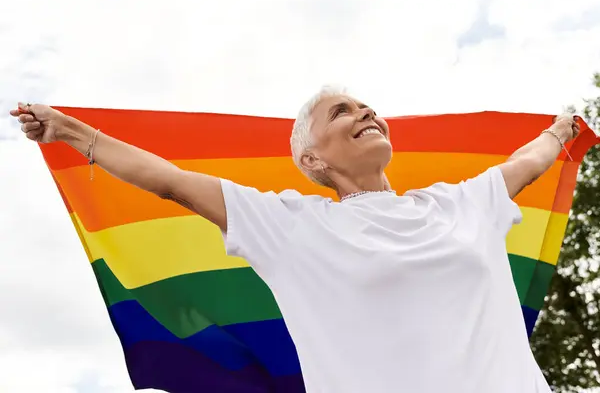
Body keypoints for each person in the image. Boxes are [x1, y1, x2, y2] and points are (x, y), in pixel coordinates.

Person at [11, 86, 579, 393]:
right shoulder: (292, 226)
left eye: (365, 105)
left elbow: (528, 162)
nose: (365, 111)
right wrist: (69, 131)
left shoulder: (462, 203)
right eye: (342, 111)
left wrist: (559, 131)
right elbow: (170, 182)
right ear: (312, 158)